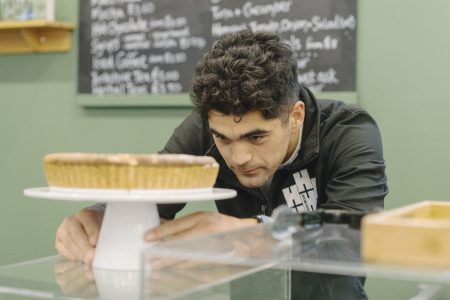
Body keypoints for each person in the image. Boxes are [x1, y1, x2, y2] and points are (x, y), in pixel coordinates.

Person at [55, 30, 387, 267]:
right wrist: (100, 217)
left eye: (256, 137)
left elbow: (362, 233)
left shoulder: (347, 129)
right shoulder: (203, 128)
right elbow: (152, 192)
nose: (238, 158)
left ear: (295, 116)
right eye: (223, 139)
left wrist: (251, 232)